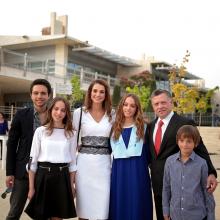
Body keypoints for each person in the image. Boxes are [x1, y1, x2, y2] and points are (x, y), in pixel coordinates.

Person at [148, 89, 218, 220]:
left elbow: (201, 149)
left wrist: (211, 172)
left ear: (171, 102)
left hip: (181, 184)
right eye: (156, 104)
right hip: (158, 185)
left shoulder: (184, 123)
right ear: (153, 106)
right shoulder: (151, 126)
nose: (160, 106)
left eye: (163, 102)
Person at [6, 78, 52, 220]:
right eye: (36, 93)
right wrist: (10, 172)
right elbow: (12, 144)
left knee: (42, 215)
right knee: (14, 213)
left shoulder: (55, 115)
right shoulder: (21, 115)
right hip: (22, 173)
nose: (39, 96)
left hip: (45, 173)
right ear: (31, 95)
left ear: (49, 95)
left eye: (43, 93)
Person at [25, 97, 77, 219]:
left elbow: (73, 163)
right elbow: (32, 162)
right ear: (50, 110)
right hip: (43, 177)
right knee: (41, 216)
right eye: (56, 109)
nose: (59, 113)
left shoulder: (71, 133)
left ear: (66, 113)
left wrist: (71, 187)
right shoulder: (40, 131)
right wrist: (31, 188)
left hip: (62, 178)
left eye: (63, 110)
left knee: (58, 217)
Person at [73, 79, 113, 220]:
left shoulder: (112, 114)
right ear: (90, 93)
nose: (98, 94)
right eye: (95, 91)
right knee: (84, 210)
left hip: (104, 165)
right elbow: (72, 143)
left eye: (102, 91)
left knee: (103, 209)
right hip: (84, 166)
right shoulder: (79, 113)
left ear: (106, 94)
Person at [109, 94, 153, 220]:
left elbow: (149, 154)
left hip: (139, 174)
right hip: (119, 175)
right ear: (121, 106)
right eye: (125, 104)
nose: (128, 108)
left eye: (132, 106)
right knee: (120, 204)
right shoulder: (114, 128)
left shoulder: (145, 127)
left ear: (137, 108)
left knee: (138, 205)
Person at [163, 125, 215, 220]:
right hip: (175, 215)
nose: (185, 144)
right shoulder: (169, 162)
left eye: (189, 141)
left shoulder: (202, 163)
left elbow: (206, 191)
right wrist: (166, 210)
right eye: (182, 141)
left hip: (196, 215)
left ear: (195, 143)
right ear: (177, 141)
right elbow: (166, 188)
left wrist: (211, 215)